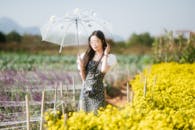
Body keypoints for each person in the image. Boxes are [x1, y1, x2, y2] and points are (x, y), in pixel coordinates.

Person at [77, 30, 117, 113]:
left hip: (98, 92)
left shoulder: (110, 57)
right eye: (91, 42)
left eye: (96, 41)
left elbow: (103, 70)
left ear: (102, 41)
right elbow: (84, 79)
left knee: (98, 115)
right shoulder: (86, 56)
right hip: (86, 92)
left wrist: (105, 53)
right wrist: (81, 66)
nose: (94, 44)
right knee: (84, 117)